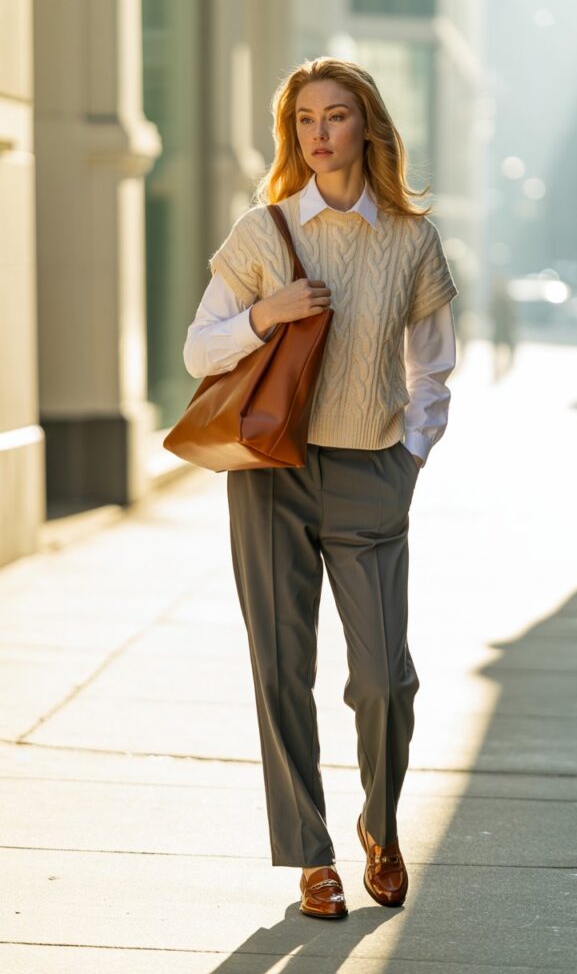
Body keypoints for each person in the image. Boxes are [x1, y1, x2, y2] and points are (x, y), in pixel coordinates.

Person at [183, 57, 458, 919]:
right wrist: (268, 315)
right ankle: (312, 857)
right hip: (272, 475)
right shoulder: (263, 231)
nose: (320, 133)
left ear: (366, 127)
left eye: (336, 116)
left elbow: (434, 364)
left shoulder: (411, 237)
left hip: (371, 471)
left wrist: (410, 454)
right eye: (305, 119)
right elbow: (199, 351)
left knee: (384, 679)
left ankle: (381, 825)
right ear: (292, 133)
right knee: (281, 669)